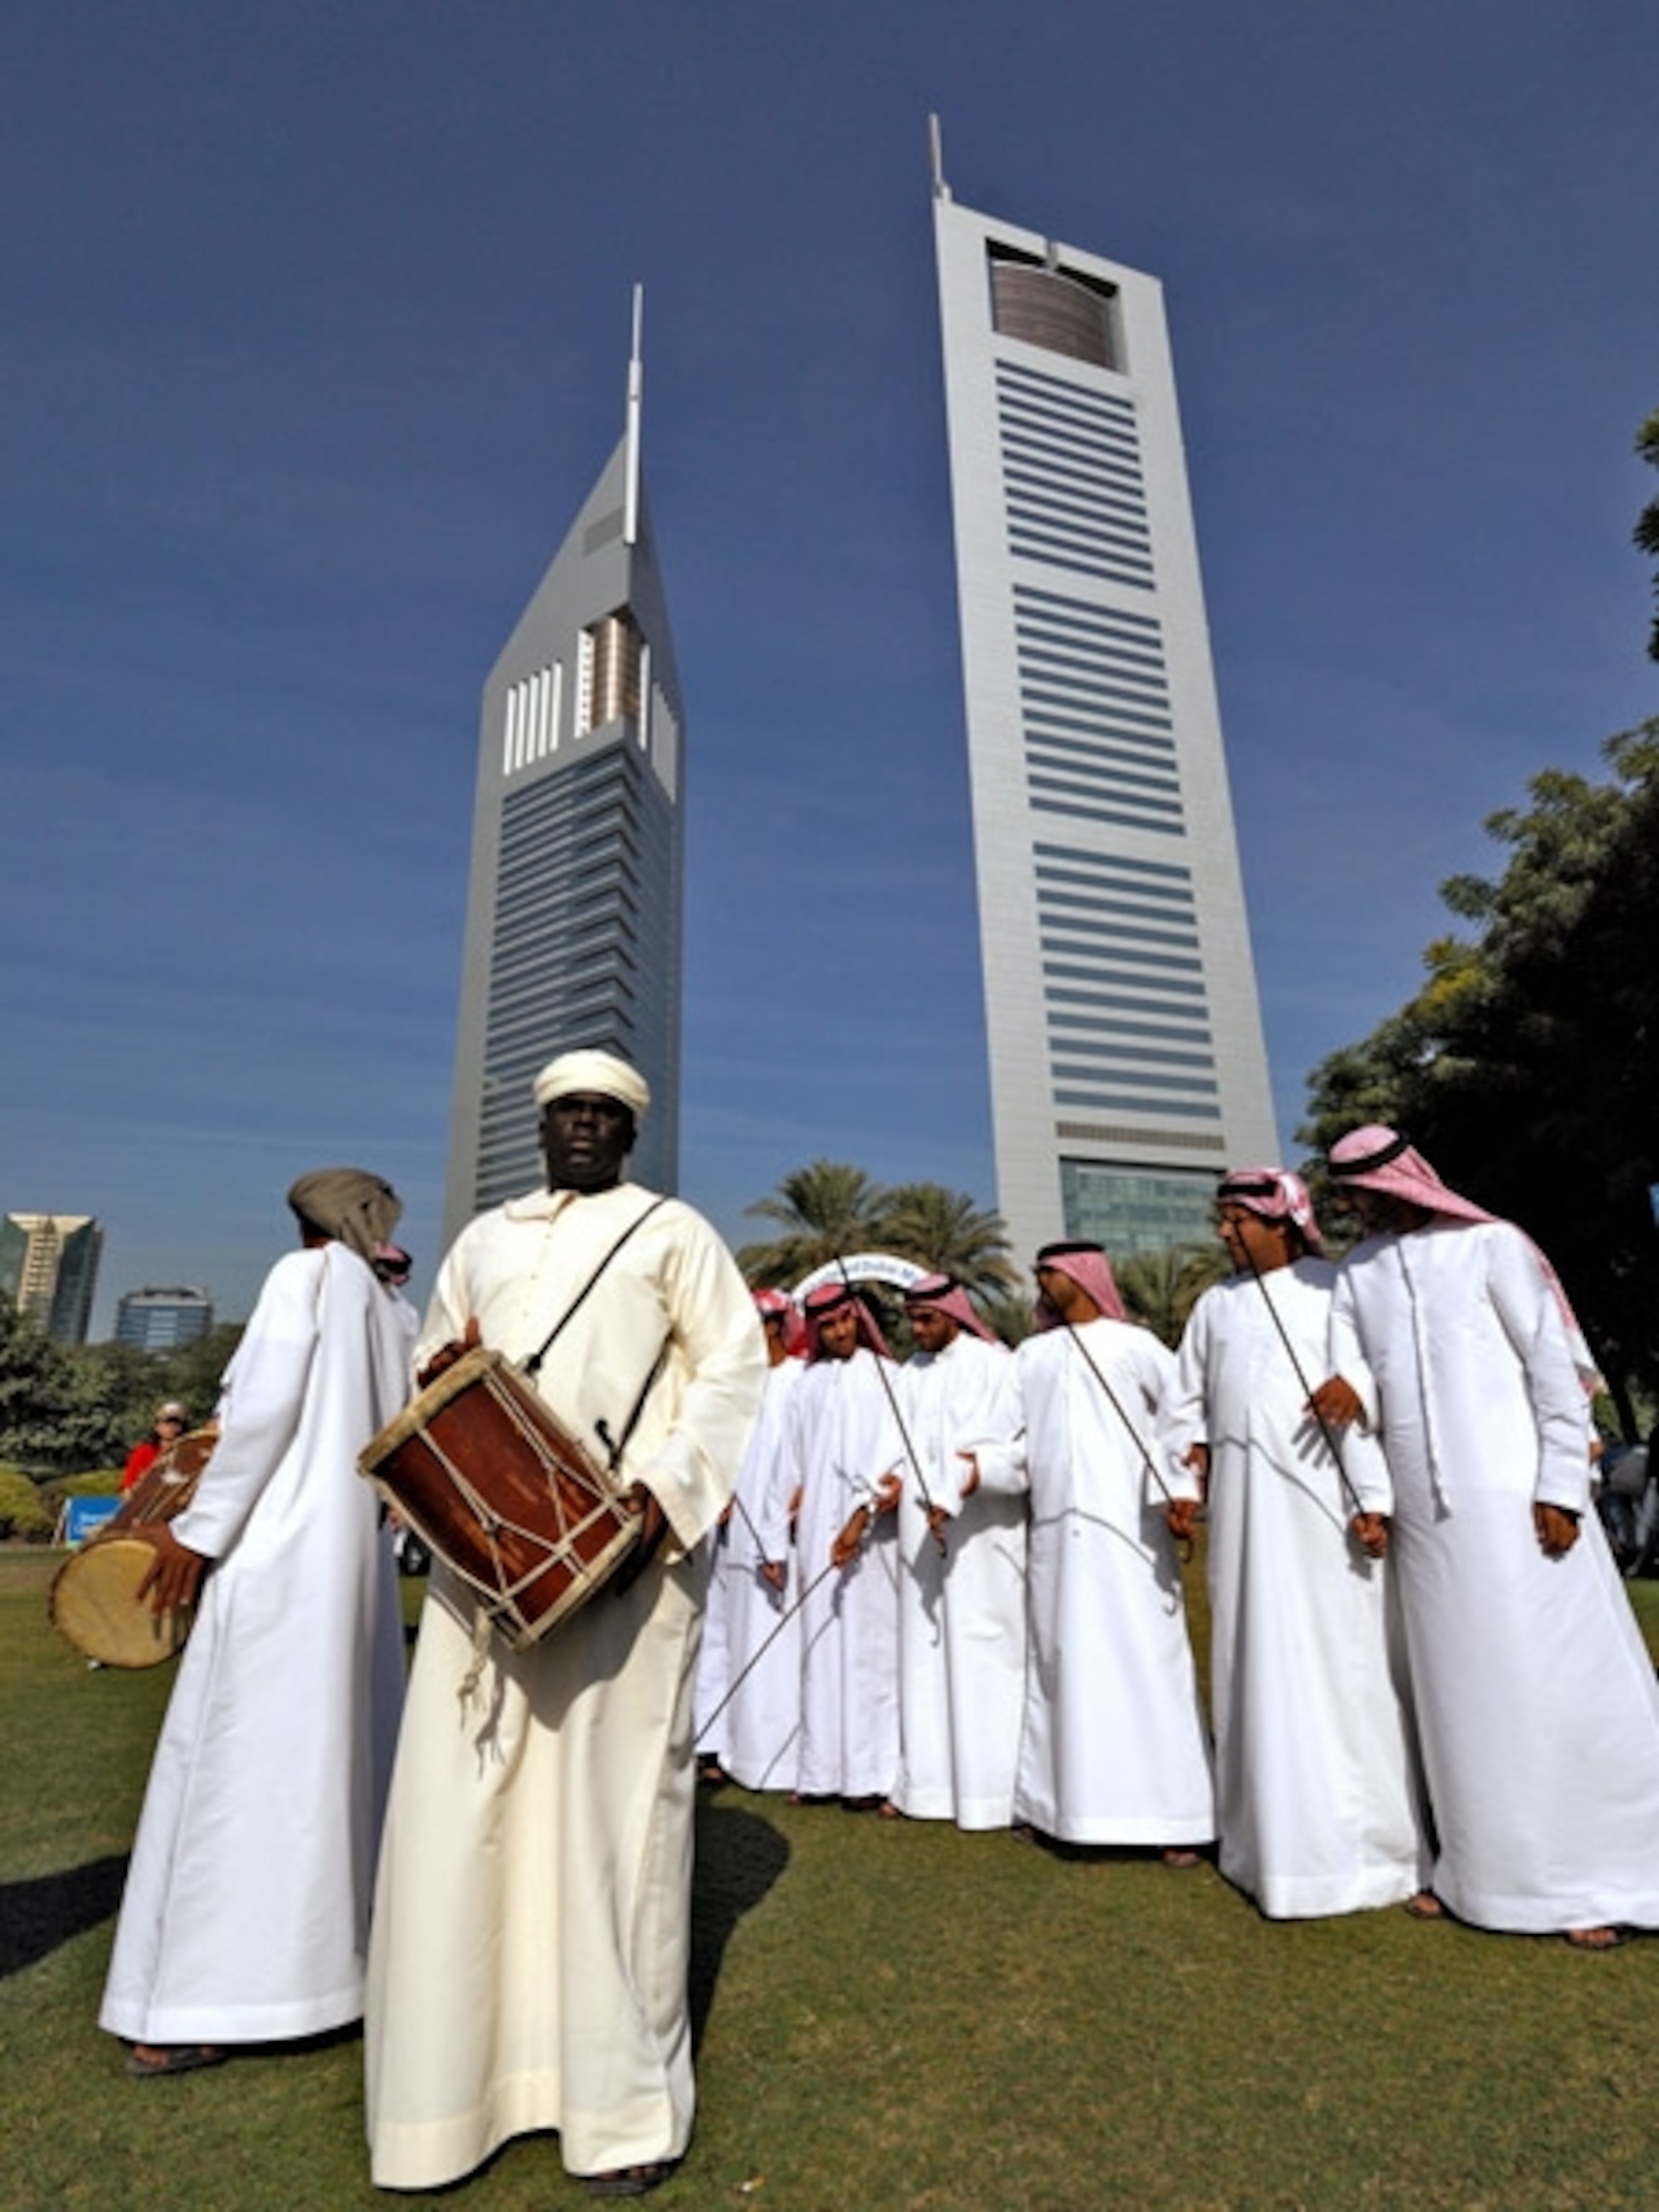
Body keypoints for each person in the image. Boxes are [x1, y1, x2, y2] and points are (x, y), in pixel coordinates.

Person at [364, 1049, 764, 2200]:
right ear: (541, 1129)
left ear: (629, 1133)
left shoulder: (673, 1232)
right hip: (484, 1571)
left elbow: (734, 1372)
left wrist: (663, 1499)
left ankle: (619, 2111)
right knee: (461, 1816)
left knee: (613, 1824)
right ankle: (448, 2107)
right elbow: (433, 1379)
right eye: (566, 1113)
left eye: (604, 1115)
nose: (583, 1129)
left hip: (629, 1562)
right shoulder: (483, 1239)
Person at [1309, 1125, 1659, 1946]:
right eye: (1346, 1194)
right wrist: (1359, 1424)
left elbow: (1549, 1368)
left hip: (1517, 1500)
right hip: (1428, 1520)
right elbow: (1360, 1364)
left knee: (1554, 1683)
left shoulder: (1493, 1246)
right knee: (1461, 1701)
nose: (1357, 1205)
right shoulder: (1358, 1272)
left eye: (1365, 1189)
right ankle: (1485, 1880)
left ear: (1407, 1179)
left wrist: (1561, 1485)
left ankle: (1600, 1878)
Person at [99, 1169, 413, 2077]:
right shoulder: (389, 1308)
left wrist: (197, 1533)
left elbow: (262, 1417)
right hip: (348, 1568)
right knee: (327, 1768)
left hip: (275, 1559)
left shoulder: (305, 1280)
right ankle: (326, 1977)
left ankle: (205, 2000)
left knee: (234, 1773)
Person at [1164, 1169, 1428, 1917]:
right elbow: (1184, 1405)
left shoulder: (1337, 1285)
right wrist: (1185, 1481)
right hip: (1245, 1519)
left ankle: (1372, 1853)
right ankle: (1264, 1847)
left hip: (1328, 1508)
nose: (1222, 1234)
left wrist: (1371, 1484)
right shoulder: (1215, 1306)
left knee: (1346, 1662)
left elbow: (1388, 1375)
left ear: (1280, 1221)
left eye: (1234, 1220)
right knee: (1253, 1659)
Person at [972, 1241, 1213, 1855]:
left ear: (1082, 1277)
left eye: (1048, 1273)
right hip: (1058, 1538)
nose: (1039, 1282)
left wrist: (1180, 1488)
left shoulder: (1135, 1347)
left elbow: (1183, 1417)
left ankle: (1173, 1822)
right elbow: (1007, 1446)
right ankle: (1060, 1812)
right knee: (1063, 1669)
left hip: (1133, 1536)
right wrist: (970, 1469)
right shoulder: (1030, 1357)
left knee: (1147, 1669)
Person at [886, 1274, 1025, 1830]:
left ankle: (996, 1791)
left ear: (954, 1315)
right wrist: (886, 1489)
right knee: (923, 1657)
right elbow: (894, 1450)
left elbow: (1009, 1446)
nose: (917, 1331)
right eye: (911, 1321)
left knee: (987, 1656)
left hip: (984, 1540)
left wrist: (962, 1484)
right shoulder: (908, 1374)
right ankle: (928, 1786)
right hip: (920, 1538)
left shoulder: (997, 1366)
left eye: (927, 1320)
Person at [760, 1279, 901, 1809]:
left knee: (869, 1652)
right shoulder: (807, 1383)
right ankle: (821, 1773)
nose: (839, 1331)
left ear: (859, 1321)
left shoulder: (889, 1378)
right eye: (828, 1325)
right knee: (818, 1650)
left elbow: (893, 1460)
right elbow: (788, 1469)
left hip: (871, 1538)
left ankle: (870, 1776)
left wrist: (862, 1516)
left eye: (845, 1321)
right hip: (816, 1529)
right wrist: (775, 1541)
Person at [695, 1288, 807, 1792]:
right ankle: (714, 1744)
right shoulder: (737, 1386)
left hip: (778, 1535)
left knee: (770, 1645)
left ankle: (772, 1757)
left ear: (776, 1327)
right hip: (729, 1529)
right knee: (721, 1637)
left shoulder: (800, 1382)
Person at [120, 1401, 189, 1493]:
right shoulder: (143, 1452)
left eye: (176, 1424)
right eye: (167, 1423)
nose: (171, 1428)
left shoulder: (189, 1453)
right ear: (157, 1427)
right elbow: (127, 1488)